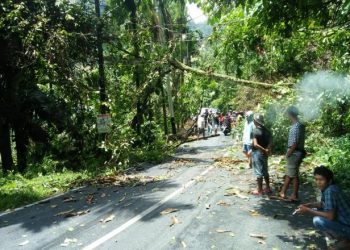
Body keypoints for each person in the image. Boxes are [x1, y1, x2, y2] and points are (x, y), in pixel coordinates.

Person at [296, 166, 350, 249]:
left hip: (347, 226)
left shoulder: (330, 191)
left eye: (321, 179)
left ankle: (343, 239)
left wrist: (308, 210)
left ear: (329, 180)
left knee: (318, 220)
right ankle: (343, 239)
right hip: (345, 222)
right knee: (318, 210)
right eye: (316, 179)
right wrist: (309, 205)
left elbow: (330, 216)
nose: (318, 182)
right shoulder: (331, 187)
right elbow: (323, 204)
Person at [279, 106, 306, 202]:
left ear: (290, 114)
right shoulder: (300, 125)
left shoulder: (295, 127)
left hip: (294, 153)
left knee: (293, 175)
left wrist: (288, 154)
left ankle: (295, 195)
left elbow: (294, 143)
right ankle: (283, 192)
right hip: (297, 152)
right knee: (290, 173)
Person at [251, 114, 272, 195]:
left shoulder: (255, 131)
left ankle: (259, 190)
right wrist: (267, 150)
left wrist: (263, 150)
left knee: (258, 172)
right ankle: (268, 188)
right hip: (265, 153)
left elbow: (255, 144)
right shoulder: (267, 130)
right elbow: (270, 142)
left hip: (257, 152)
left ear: (255, 121)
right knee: (265, 171)